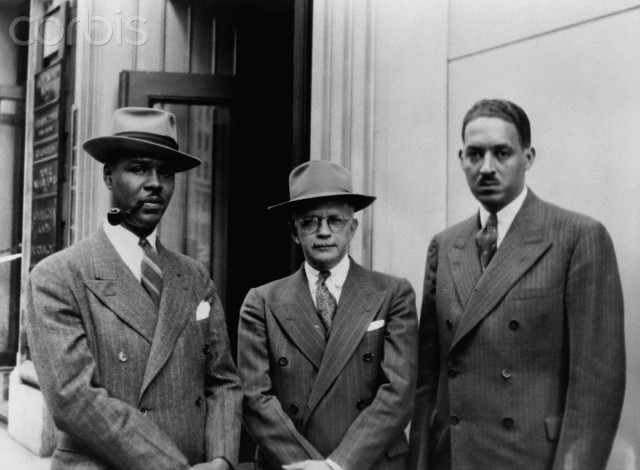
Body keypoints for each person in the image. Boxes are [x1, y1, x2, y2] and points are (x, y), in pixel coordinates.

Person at [408, 99, 625, 469]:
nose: (487, 168)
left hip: (532, 459)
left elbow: (596, 389)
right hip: (453, 458)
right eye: (475, 154)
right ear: (461, 158)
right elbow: (428, 382)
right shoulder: (444, 246)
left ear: (528, 157)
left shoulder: (577, 237)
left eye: (502, 153)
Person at [26, 107, 242, 470]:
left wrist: (221, 458)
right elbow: (73, 399)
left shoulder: (194, 277)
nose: (155, 183)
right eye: (139, 168)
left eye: (166, 173)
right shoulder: (59, 276)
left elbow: (222, 381)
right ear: (109, 176)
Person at [238, 160, 418, 470]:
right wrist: (308, 466)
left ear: (352, 228)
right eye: (309, 222)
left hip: (369, 463)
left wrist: (338, 465)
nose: (323, 232)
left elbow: (398, 392)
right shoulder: (261, 302)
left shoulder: (393, 294)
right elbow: (255, 398)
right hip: (291, 465)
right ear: (294, 232)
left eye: (335, 220)